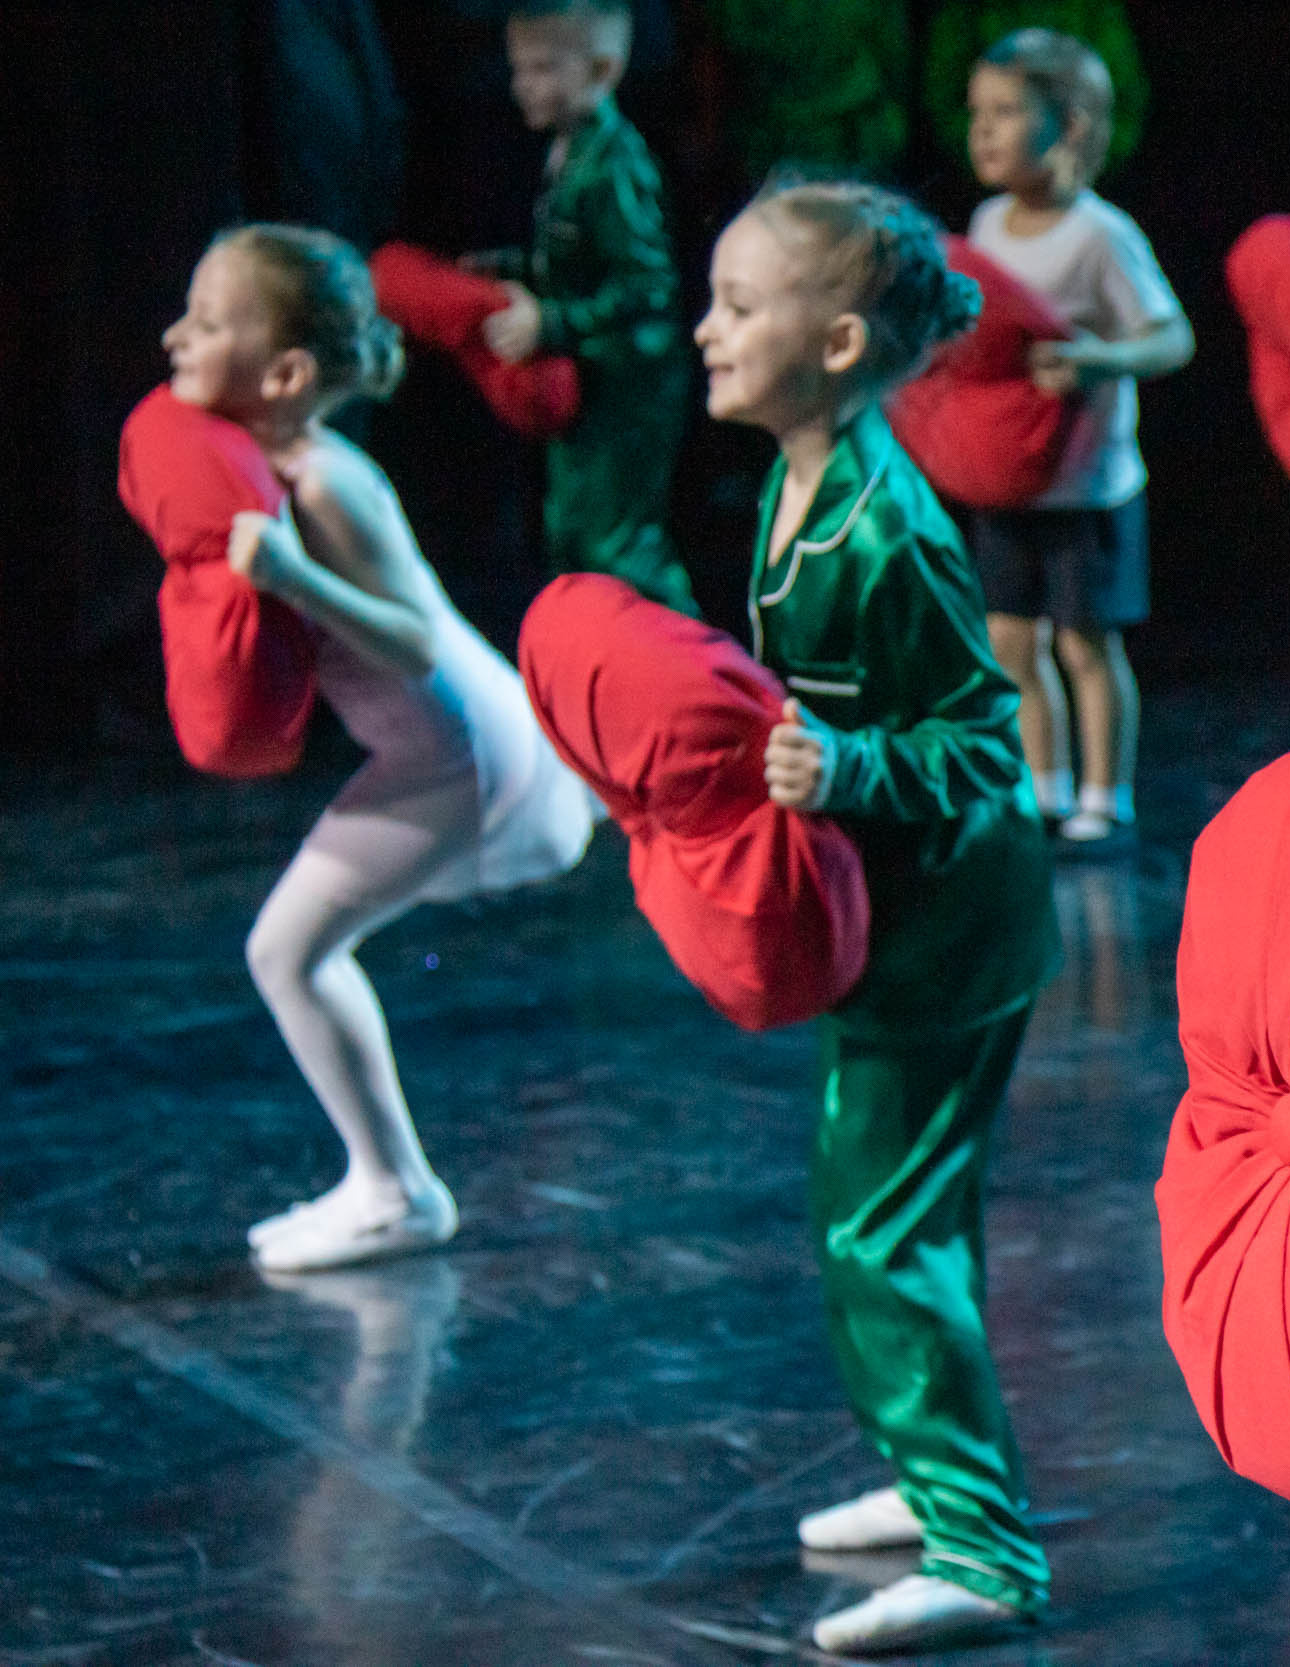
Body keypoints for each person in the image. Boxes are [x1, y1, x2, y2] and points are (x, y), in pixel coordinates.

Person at [694, 175, 1060, 1655]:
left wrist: (848, 767)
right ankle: (934, 1479)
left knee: (884, 1235)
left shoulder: (883, 527)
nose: (705, 328)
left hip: (950, 930)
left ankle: (986, 1550)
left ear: (838, 344)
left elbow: (983, 736)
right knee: (892, 1221)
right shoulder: (796, 484)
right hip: (896, 918)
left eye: (738, 305)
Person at [164, 225, 596, 1273]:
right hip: (437, 749)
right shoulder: (272, 467)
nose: (176, 335)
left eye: (207, 322)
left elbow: (409, 638)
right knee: (295, 952)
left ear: (285, 374)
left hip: (461, 752)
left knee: (289, 952)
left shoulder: (325, 483)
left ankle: (397, 1190)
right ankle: (388, 1183)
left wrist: (293, 578)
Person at [962, 27, 1193, 845]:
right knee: (1010, 640)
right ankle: (1044, 785)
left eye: (1005, 112)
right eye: (976, 113)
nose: (983, 131)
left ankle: (1106, 793)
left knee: (1086, 644)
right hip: (1010, 480)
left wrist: (1101, 359)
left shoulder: (1100, 234)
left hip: (1087, 483)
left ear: (1068, 126)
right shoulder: (987, 224)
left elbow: (1171, 336)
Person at [470, 0, 697, 613]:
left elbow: (648, 287)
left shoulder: (615, 164)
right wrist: (505, 271)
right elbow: (576, 262)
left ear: (602, 71)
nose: (524, 85)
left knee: (621, 548)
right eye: (519, 68)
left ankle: (692, 661)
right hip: (592, 385)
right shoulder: (570, 149)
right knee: (573, 536)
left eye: (544, 69)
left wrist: (549, 322)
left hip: (627, 391)